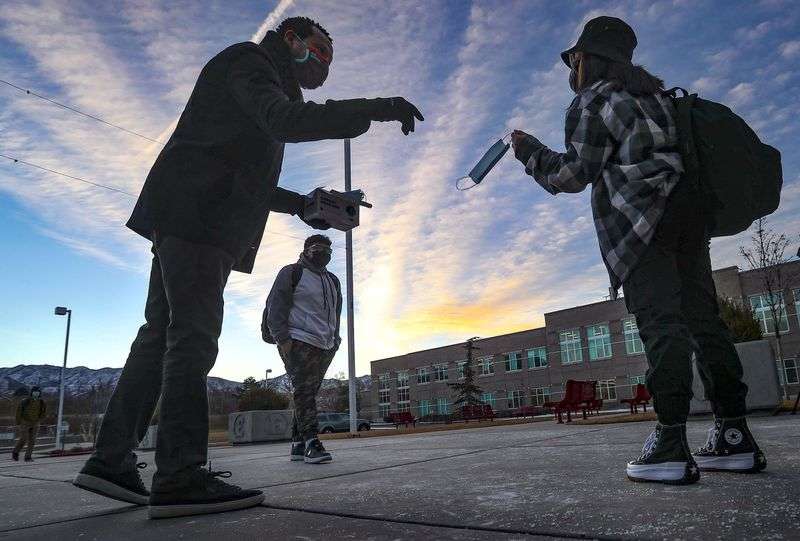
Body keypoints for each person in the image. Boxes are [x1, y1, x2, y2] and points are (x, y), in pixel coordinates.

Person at [73, 16, 424, 519]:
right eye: (319, 50)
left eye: (331, 58)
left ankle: (110, 461)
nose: (324, 63)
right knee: (190, 338)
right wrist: (376, 108)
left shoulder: (267, 85)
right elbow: (283, 122)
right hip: (199, 217)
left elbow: (240, 169)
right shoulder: (250, 62)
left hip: (190, 214)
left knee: (159, 336)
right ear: (290, 39)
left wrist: (304, 204)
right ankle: (179, 475)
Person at [511, 16, 765, 485]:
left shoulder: (595, 99)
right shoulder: (661, 99)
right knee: (705, 325)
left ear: (587, 58)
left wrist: (530, 153)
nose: (572, 68)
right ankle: (734, 437)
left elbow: (572, 174)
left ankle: (670, 442)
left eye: (574, 59)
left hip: (640, 226)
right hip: (689, 218)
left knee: (661, 326)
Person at [263, 235, 342, 464]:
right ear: (306, 250)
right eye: (317, 248)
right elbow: (274, 306)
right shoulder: (292, 272)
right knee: (304, 390)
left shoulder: (333, 280)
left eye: (328, 249)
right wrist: (283, 339)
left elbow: (336, 312)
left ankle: (297, 444)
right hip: (297, 339)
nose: (324, 252)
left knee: (308, 392)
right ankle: (311, 443)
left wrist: (335, 339)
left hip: (325, 343)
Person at [12, 386, 46, 462]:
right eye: (34, 392)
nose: (36, 393)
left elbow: (43, 412)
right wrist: (18, 422)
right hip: (25, 422)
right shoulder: (25, 401)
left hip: (35, 423)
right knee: (24, 438)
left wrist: (39, 419)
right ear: (32, 392)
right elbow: (19, 412)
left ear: (40, 393)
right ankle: (15, 452)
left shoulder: (41, 402)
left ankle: (28, 457)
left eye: (38, 392)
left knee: (32, 440)